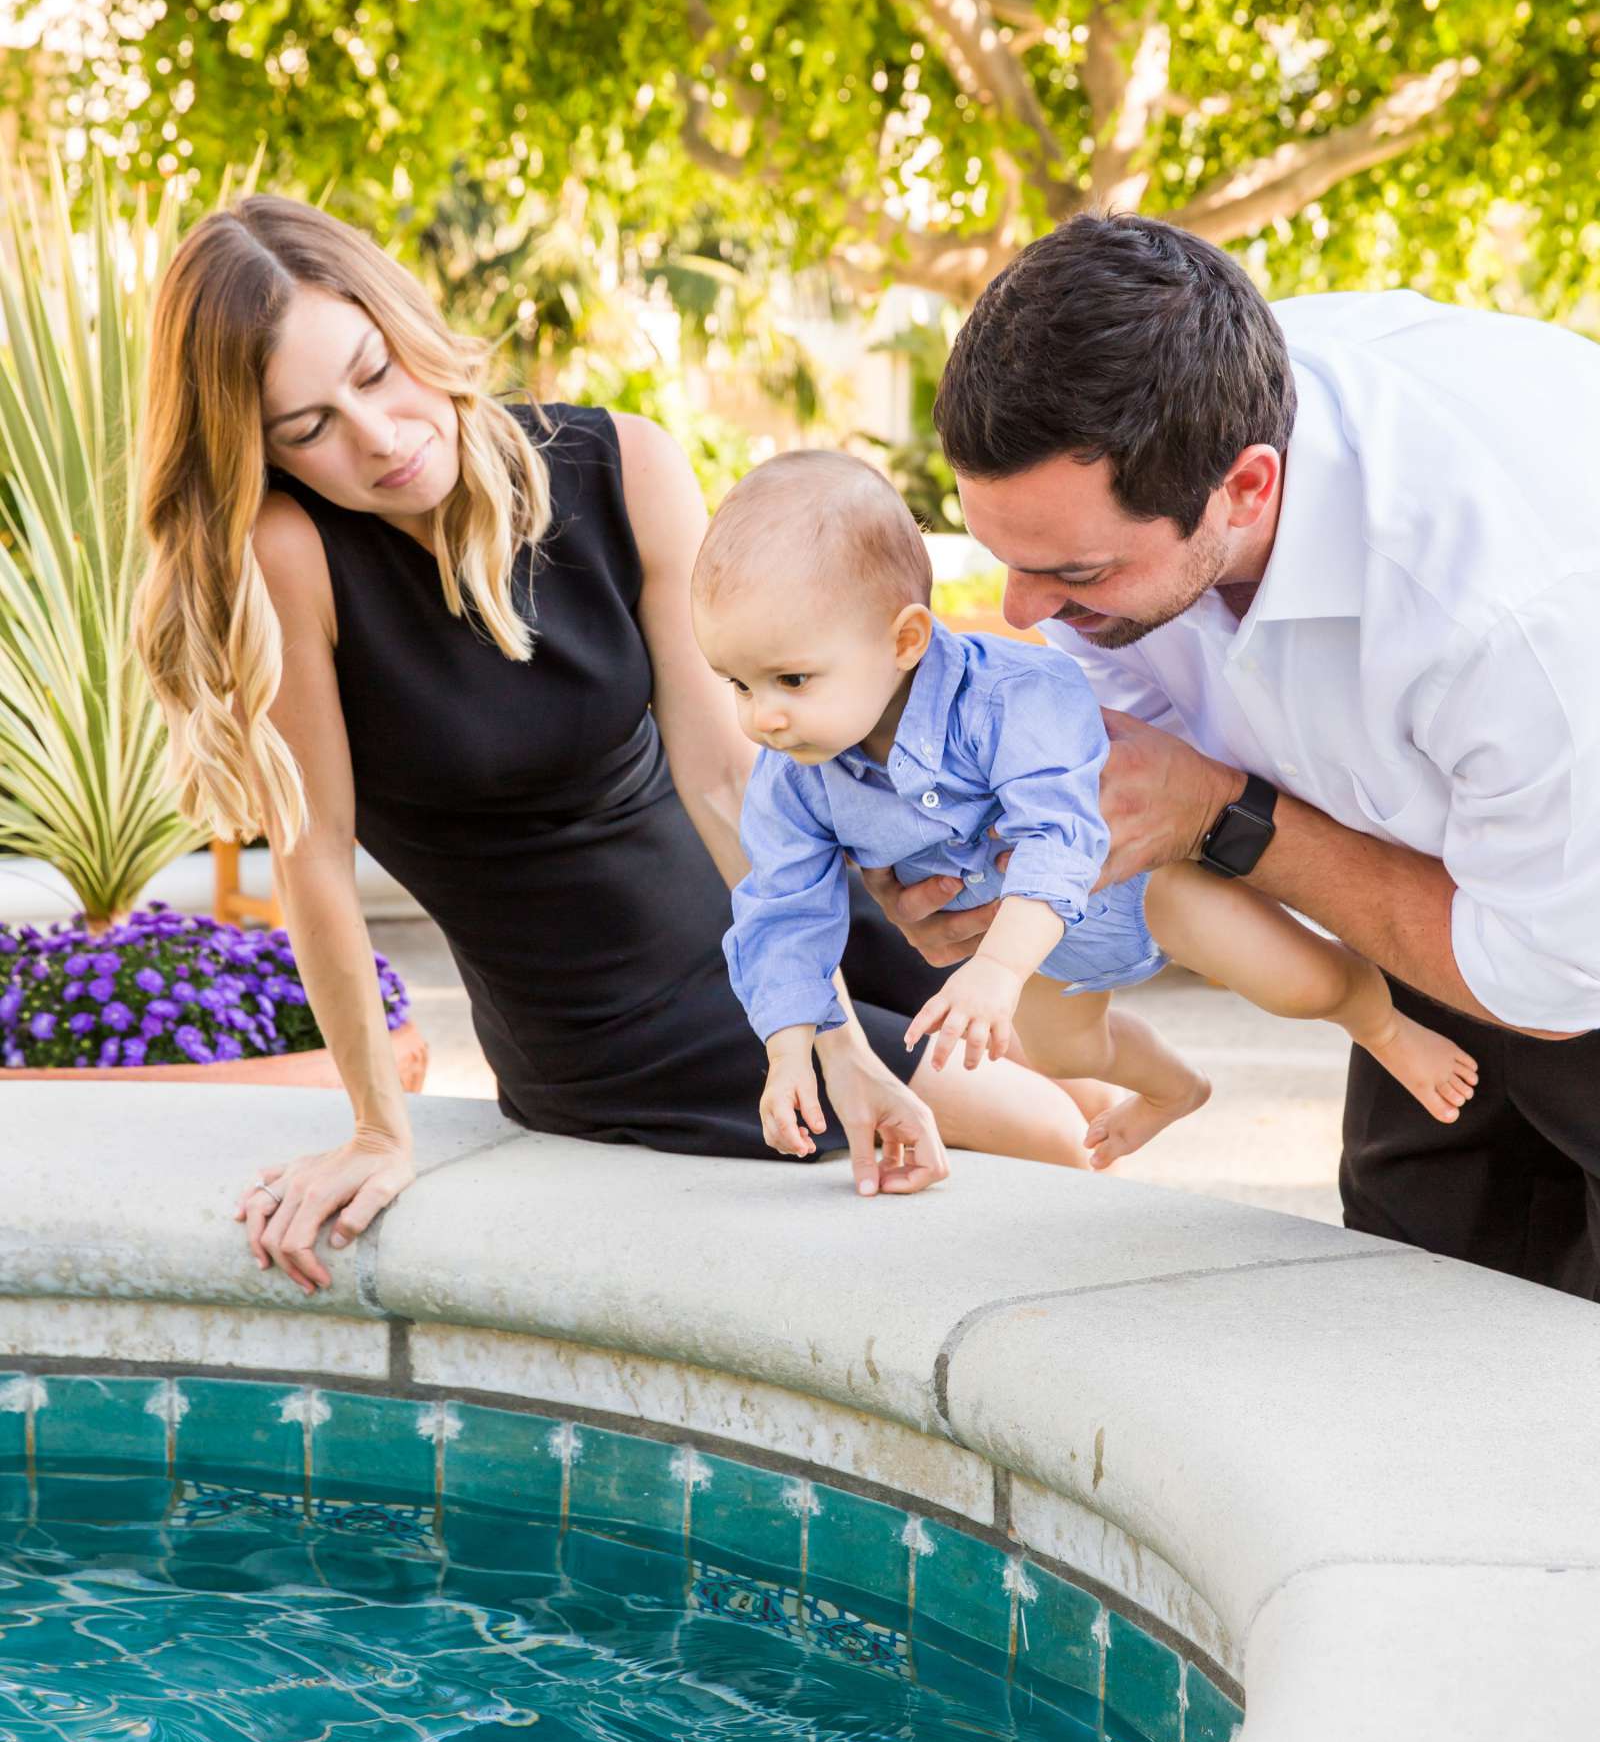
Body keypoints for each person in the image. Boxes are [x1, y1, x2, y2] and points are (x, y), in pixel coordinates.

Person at [134, 197, 1100, 1296]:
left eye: (374, 369)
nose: (377, 434)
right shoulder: (289, 553)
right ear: (257, 450)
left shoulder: (619, 465)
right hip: (615, 1016)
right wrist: (373, 1128)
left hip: (767, 908)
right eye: (305, 428)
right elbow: (314, 861)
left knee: (1076, 1075)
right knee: (1037, 1128)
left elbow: (730, 777)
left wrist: (826, 1023)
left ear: (405, 322)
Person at [862, 211, 1600, 1296]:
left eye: (1077, 569)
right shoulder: (1184, 403)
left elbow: (1544, 979)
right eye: (1002, 557)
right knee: (1407, 1269)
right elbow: (1119, 794)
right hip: (1445, 881)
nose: (1024, 612)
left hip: (1569, 915)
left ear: (1246, 488)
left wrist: (1220, 814)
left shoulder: (1503, 616)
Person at [693, 452, 1477, 1169]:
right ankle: (1177, 1087)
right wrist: (790, 1047)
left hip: (1139, 887)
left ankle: (1381, 1028)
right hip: (1040, 949)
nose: (761, 717)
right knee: (1066, 1051)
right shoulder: (794, 778)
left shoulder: (1010, 698)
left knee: (1296, 982)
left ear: (904, 640)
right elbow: (783, 909)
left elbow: (1060, 832)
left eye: (791, 681)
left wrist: (996, 970)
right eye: (737, 683)